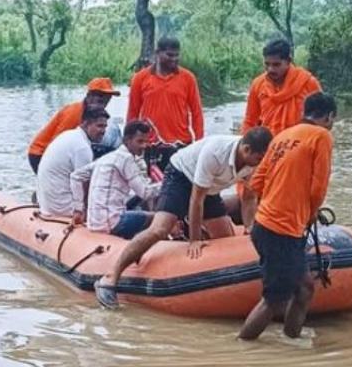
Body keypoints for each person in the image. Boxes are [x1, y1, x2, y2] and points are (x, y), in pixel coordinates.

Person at [94, 128, 273, 308]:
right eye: (259, 158)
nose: (260, 163)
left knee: (225, 238)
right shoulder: (216, 152)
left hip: (211, 186)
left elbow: (249, 197)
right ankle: (110, 277)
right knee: (160, 229)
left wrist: (250, 226)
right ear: (246, 150)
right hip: (181, 176)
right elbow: (196, 199)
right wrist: (194, 239)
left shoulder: (255, 161)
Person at [239, 92, 337, 341]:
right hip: (281, 230)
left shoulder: (282, 136)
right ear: (329, 117)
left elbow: (255, 183)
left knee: (304, 288)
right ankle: (241, 346)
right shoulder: (322, 136)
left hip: (267, 226)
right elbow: (318, 186)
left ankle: (291, 339)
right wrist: (310, 212)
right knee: (275, 299)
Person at [69, 120, 161, 238]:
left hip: (94, 223)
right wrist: (168, 184)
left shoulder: (107, 158)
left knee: (135, 208)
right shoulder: (126, 159)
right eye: (140, 141)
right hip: (112, 223)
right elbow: (145, 193)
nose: (144, 146)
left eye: (146, 142)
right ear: (127, 140)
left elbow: (76, 176)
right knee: (157, 218)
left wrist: (78, 209)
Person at [127, 37, 205, 171]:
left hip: (181, 144)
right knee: (152, 188)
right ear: (157, 53)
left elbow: (197, 113)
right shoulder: (140, 78)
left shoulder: (188, 78)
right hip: (151, 145)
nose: (174, 59)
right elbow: (132, 113)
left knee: (180, 188)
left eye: (177, 55)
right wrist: (130, 142)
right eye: (169, 55)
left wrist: (199, 144)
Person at [27, 77, 121, 174]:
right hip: (40, 153)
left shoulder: (94, 114)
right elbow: (58, 142)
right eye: (101, 96)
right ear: (89, 96)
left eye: (108, 97)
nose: (105, 99)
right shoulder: (75, 112)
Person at [35, 107, 110, 220]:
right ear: (85, 124)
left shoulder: (69, 135)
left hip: (47, 204)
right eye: (99, 126)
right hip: (63, 208)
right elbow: (85, 186)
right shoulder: (82, 148)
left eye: (105, 127)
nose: (103, 131)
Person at [242, 39, 322, 138]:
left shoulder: (308, 83)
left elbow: (322, 120)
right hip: (269, 146)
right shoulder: (258, 84)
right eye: (267, 64)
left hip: (300, 144)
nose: (270, 69)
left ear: (288, 61)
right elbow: (250, 121)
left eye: (276, 64)